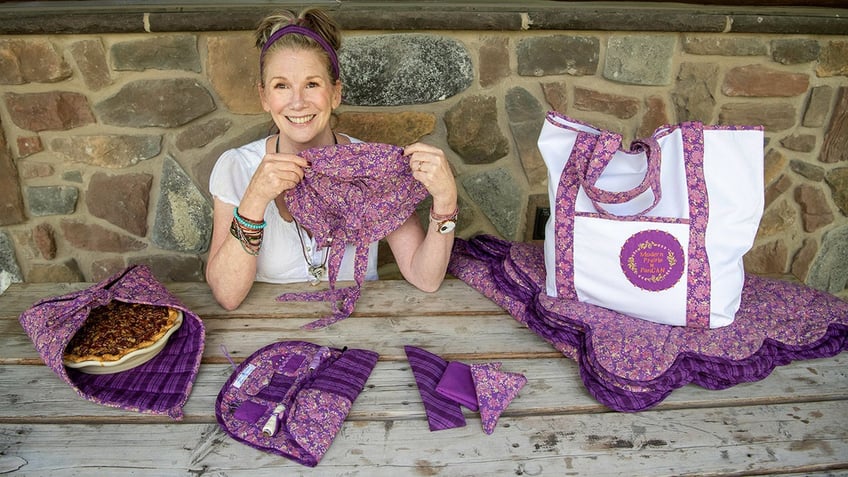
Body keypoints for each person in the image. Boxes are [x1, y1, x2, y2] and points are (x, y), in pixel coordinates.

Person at [206, 8, 459, 311]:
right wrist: (254, 199)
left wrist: (445, 201)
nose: (298, 102)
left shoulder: (373, 167)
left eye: (312, 84)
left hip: (358, 335)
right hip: (264, 334)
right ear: (264, 97)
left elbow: (425, 278)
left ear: (335, 93)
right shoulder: (237, 166)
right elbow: (227, 295)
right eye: (281, 86)